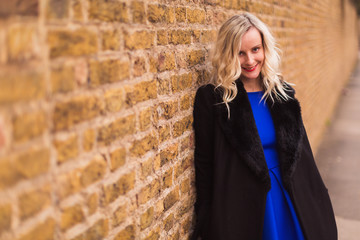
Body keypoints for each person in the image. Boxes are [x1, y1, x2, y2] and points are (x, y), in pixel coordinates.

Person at [191, 13, 337, 240]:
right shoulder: (213, 100)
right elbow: (205, 163)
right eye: (240, 53)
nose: (250, 60)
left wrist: (320, 202)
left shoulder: (281, 93)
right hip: (243, 206)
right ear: (228, 55)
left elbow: (304, 156)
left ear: (264, 48)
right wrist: (206, 221)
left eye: (255, 49)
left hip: (290, 199)